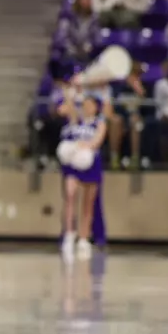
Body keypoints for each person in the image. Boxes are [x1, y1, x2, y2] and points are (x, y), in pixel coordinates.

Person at [55, 88, 105, 259]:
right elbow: (68, 107)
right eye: (85, 104)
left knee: (88, 203)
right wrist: (70, 93)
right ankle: (69, 235)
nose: (87, 107)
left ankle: (84, 238)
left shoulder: (99, 122)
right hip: (73, 161)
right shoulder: (77, 119)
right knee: (70, 195)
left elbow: (98, 140)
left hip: (90, 162)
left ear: (96, 107)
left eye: (90, 105)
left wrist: (87, 145)